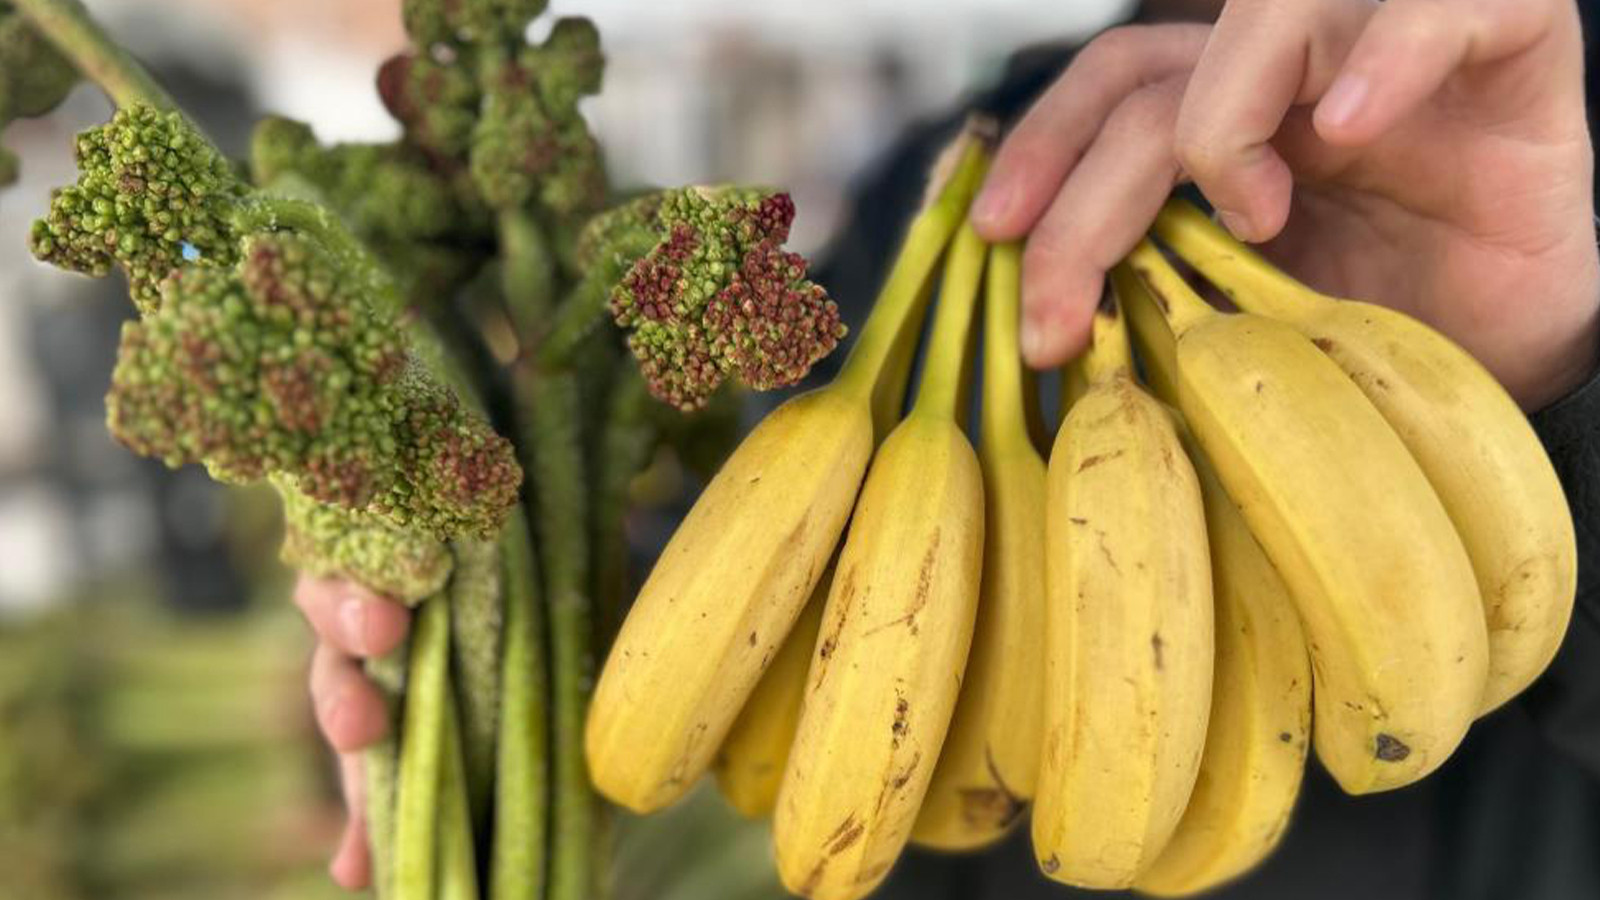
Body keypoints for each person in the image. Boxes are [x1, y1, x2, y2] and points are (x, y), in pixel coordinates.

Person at [296, 0, 1600, 895]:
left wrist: (1554, 374)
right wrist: (485, 632)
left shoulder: (1529, 131)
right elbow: (766, 626)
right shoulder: (954, 176)